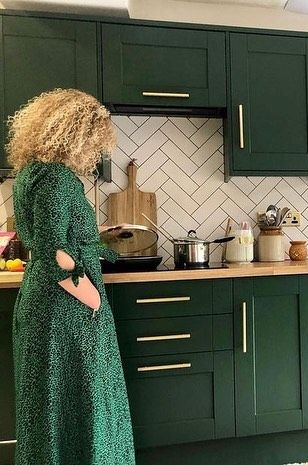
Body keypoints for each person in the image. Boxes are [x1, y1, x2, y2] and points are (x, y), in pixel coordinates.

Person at [8, 89, 135, 465]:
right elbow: (52, 254)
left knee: (51, 408)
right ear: (77, 135)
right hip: (66, 312)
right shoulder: (58, 179)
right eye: (95, 140)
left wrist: (97, 240)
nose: (97, 150)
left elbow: (54, 240)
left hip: (44, 306)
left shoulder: (30, 174)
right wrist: (94, 299)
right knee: (85, 403)